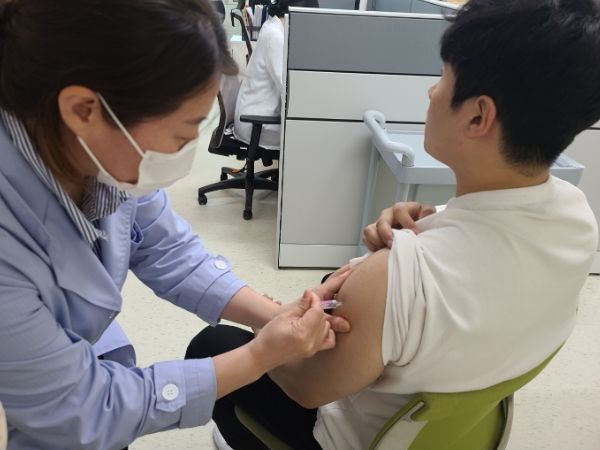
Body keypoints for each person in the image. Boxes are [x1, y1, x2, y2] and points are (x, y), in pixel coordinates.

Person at [186, 0, 600, 448]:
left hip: (355, 438)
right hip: (458, 425)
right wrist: (429, 226)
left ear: (478, 116)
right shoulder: (576, 216)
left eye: (443, 78)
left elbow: (307, 389)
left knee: (211, 346)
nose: (431, 92)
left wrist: (266, 331)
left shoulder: (397, 278)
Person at [0, 1, 352, 449]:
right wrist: (260, 356)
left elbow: (169, 251)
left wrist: (272, 314)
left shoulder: (96, 155)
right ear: (84, 110)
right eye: (181, 135)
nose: (184, 153)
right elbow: (83, 407)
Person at [233, 0, 319, 149]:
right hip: (256, 124)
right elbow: (288, 90)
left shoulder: (272, 26)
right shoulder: (276, 37)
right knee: (314, 139)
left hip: (256, 116)